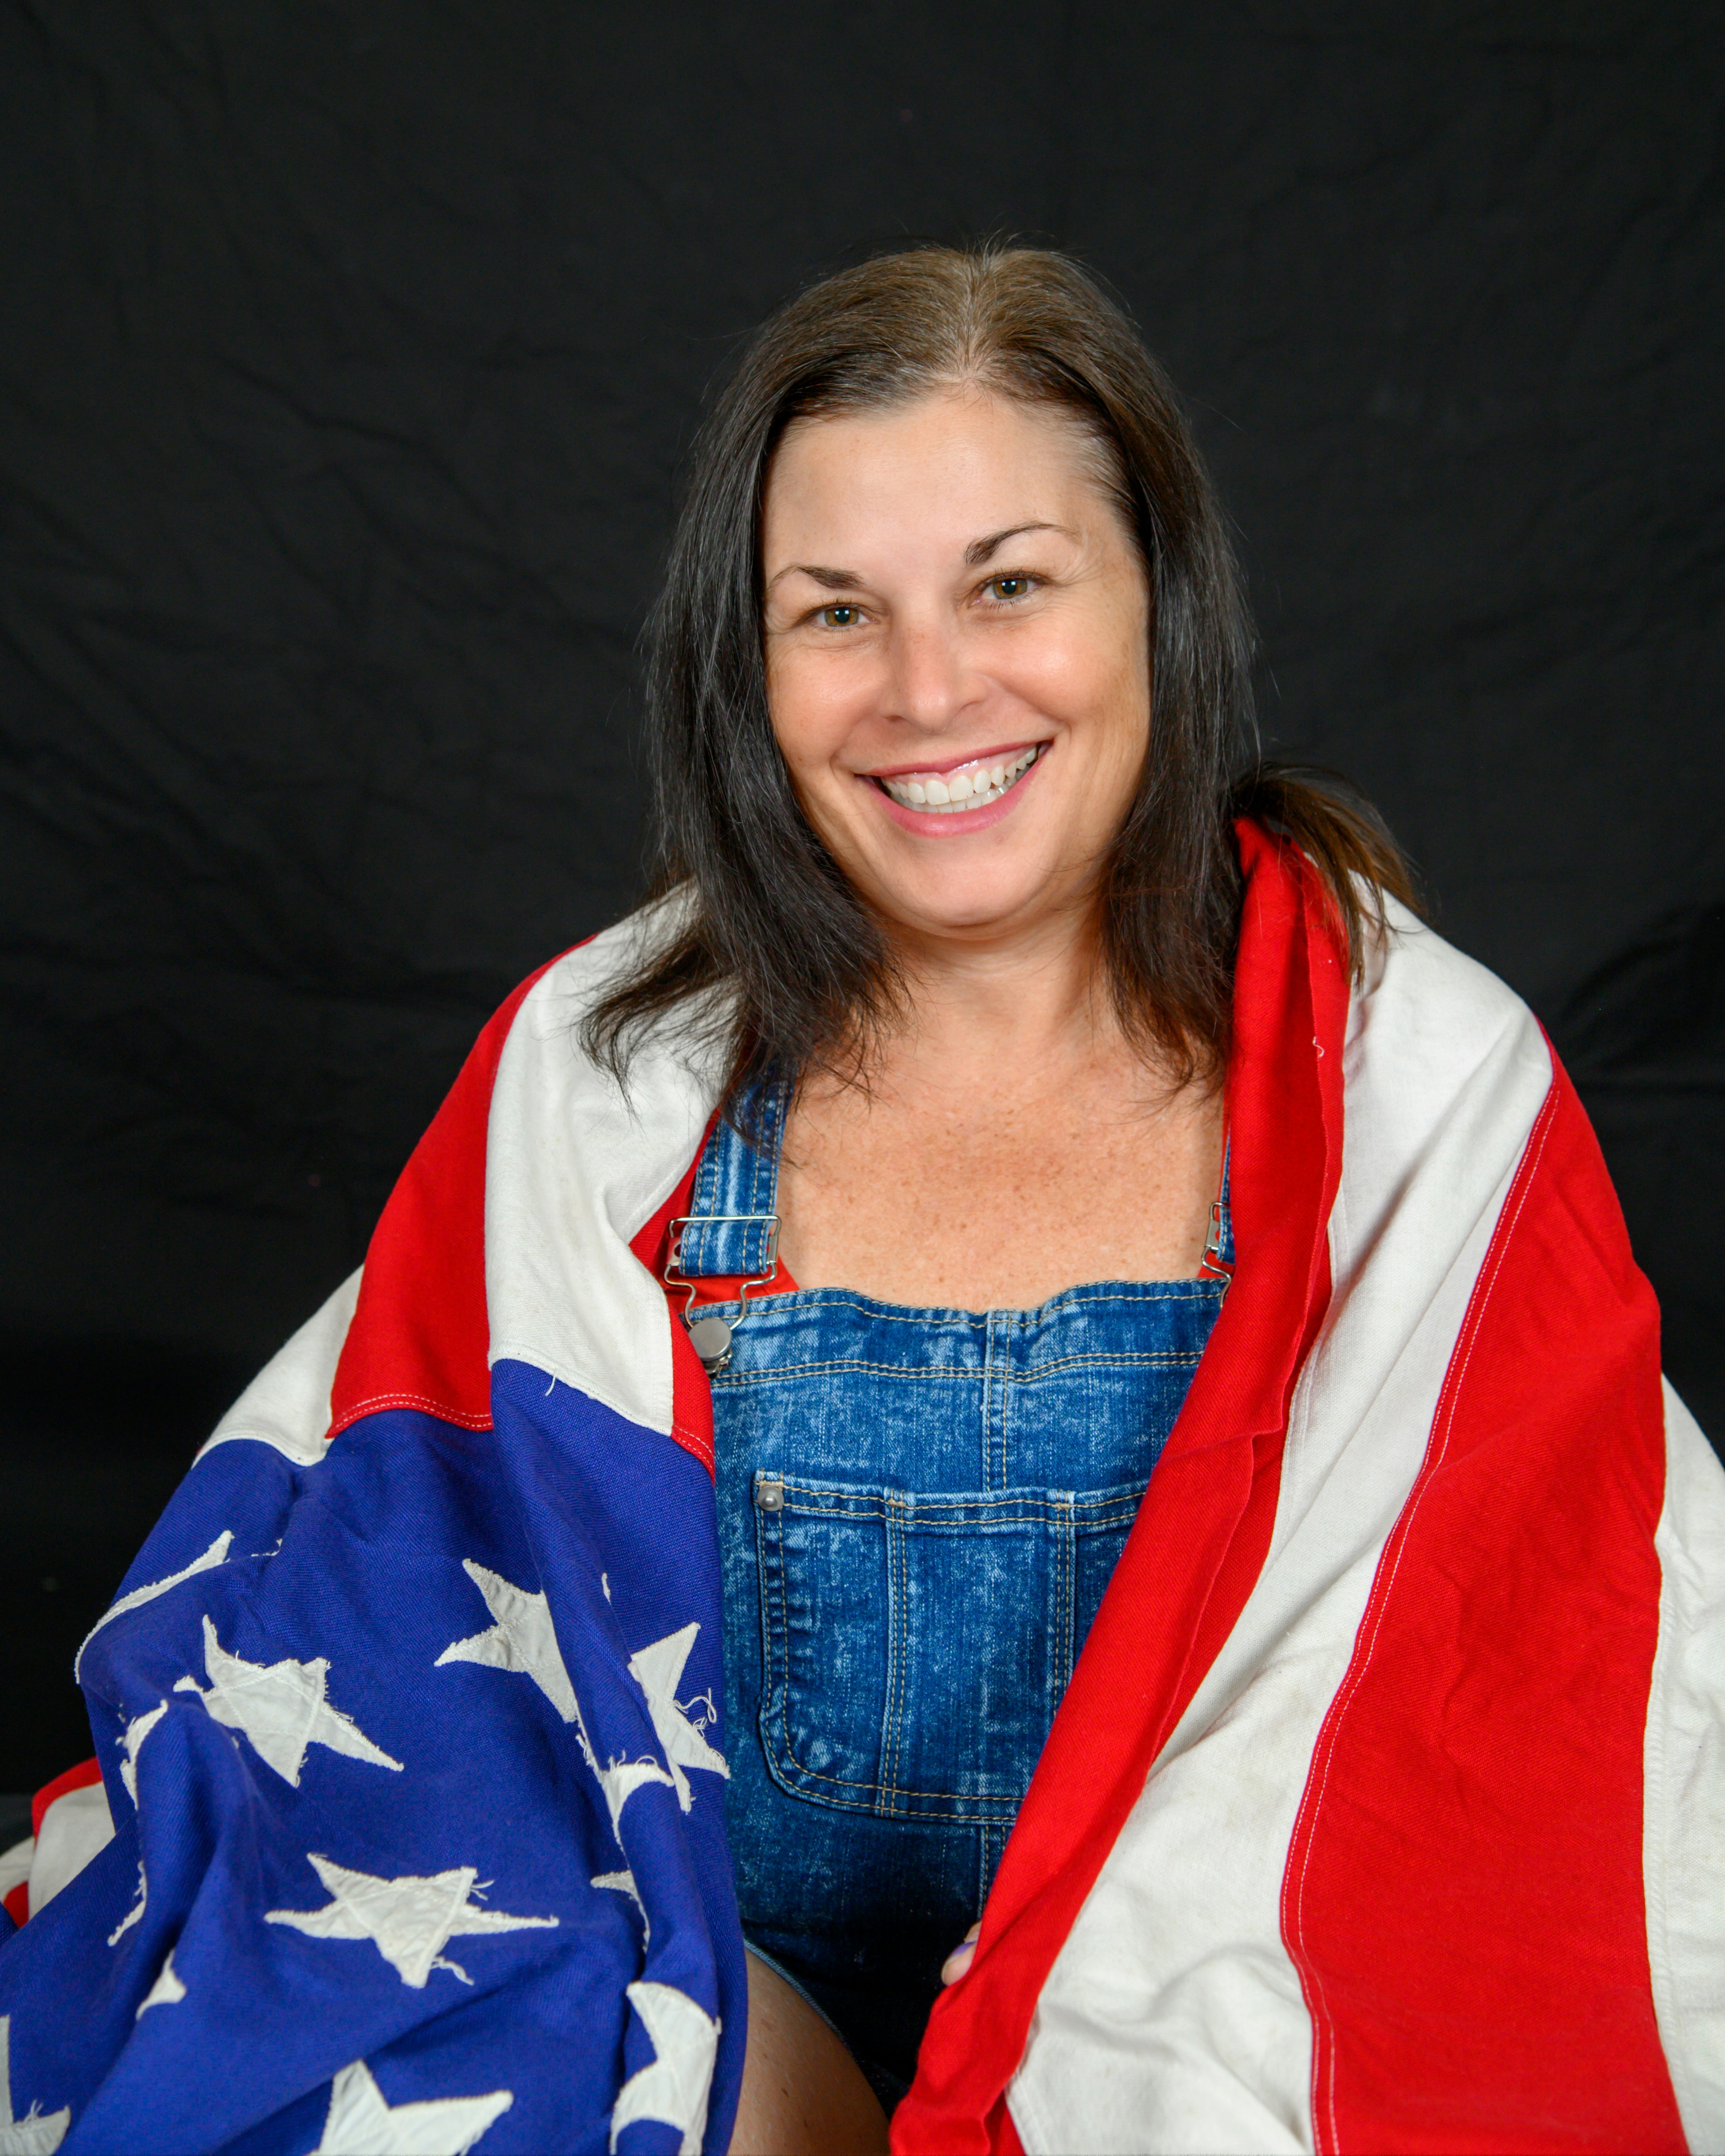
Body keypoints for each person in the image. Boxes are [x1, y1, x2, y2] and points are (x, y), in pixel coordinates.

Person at [2, 244, 1721, 2156]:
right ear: (746, 669)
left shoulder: (1418, 1084)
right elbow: (415, 1675)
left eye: (1010, 584)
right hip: (699, 2011)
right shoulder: (602, 1076)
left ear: (1159, 600)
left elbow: (1512, 1724)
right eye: (836, 613)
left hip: (1221, 2020)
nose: (928, 689)